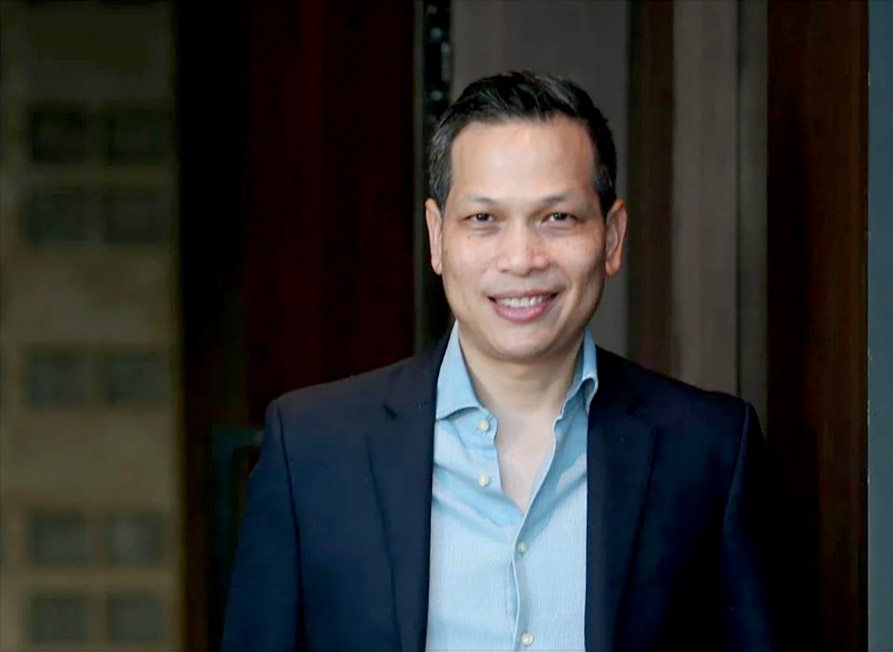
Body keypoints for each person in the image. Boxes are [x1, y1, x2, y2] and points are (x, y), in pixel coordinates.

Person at [221, 71, 773, 651]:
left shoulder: (709, 450)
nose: (521, 259)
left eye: (557, 217)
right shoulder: (311, 451)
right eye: (483, 219)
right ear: (437, 237)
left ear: (611, 238)